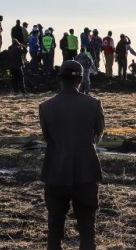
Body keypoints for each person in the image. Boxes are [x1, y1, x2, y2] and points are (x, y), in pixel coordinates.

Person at [39, 60, 105, 250]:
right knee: (87, 230)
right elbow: (97, 134)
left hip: (55, 172)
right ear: (80, 80)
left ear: (60, 79)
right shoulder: (93, 104)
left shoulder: (46, 107)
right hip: (86, 173)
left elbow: (47, 137)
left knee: (54, 229)